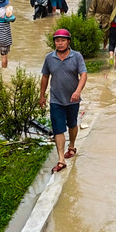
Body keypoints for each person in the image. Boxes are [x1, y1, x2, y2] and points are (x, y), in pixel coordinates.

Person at [39, 28, 88, 173]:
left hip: (73, 99)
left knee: (72, 124)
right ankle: (61, 159)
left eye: (62, 40)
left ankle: (71, 145)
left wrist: (78, 91)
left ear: (68, 42)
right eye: (57, 41)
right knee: (58, 128)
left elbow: (83, 75)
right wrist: (42, 95)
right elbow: (45, 77)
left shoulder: (77, 56)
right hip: (56, 99)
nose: (60, 43)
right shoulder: (49, 58)